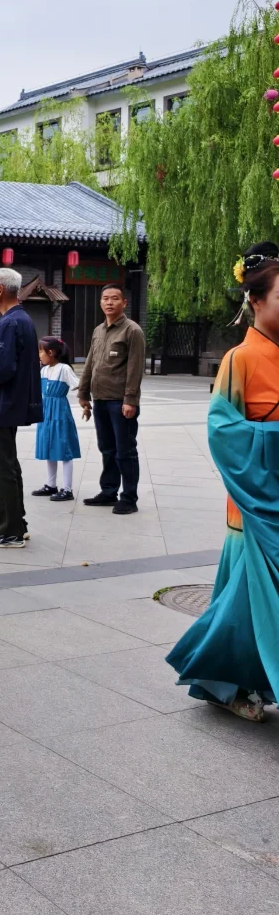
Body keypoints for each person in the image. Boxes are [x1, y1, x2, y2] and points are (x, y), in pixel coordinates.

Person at [167, 242, 279, 722]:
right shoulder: (240, 359)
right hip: (255, 502)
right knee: (246, 605)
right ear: (256, 301)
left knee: (253, 605)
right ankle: (223, 682)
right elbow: (224, 430)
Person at [0, 269, 42, 549]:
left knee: (0, 468)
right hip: (9, 405)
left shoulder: (10, 323)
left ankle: (8, 530)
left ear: (0, 289)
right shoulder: (22, 319)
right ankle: (15, 522)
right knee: (9, 466)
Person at [78, 283, 145, 515]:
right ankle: (108, 492)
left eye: (114, 298)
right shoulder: (98, 330)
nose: (109, 302)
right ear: (100, 302)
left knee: (125, 450)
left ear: (124, 302)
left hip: (120, 402)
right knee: (106, 448)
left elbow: (135, 369)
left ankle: (129, 498)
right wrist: (83, 393)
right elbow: (90, 363)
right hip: (101, 400)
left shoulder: (132, 330)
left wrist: (130, 400)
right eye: (105, 298)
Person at [32, 336, 80, 503]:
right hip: (46, 412)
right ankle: (50, 484)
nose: (39, 354)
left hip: (60, 411)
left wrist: (86, 404)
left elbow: (77, 385)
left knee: (64, 448)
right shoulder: (44, 370)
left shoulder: (64, 369)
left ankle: (67, 489)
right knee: (49, 446)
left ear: (50, 352)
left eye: (40, 351)